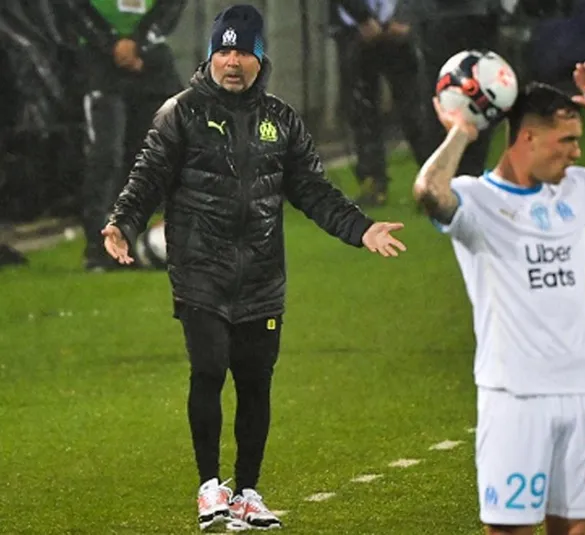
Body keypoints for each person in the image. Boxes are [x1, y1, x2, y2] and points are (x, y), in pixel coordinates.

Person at [102, 4, 407, 532]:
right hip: (200, 270)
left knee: (255, 383)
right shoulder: (181, 113)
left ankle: (246, 491)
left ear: (260, 59)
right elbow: (148, 175)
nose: (232, 61)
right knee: (208, 369)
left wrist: (361, 229)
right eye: (224, 51)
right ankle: (208, 486)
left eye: (243, 51)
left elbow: (313, 190)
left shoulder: (281, 121)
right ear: (210, 57)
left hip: (262, 276)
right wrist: (123, 223)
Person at [413, 62, 585, 535]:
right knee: (511, 529)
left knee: (579, 527)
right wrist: (463, 131)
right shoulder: (476, 201)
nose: (576, 152)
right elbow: (429, 190)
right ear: (528, 137)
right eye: (566, 140)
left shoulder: (578, 189)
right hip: (515, 394)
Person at [65, 0, 187, 271]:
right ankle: (101, 249)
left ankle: (172, 236)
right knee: (105, 156)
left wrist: (138, 42)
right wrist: (111, 43)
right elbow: (73, 8)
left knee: (168, 152)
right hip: (99, 61)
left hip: (150, 60)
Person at [329, 0, 431, 206]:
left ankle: (433, 182)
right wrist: (363, 18)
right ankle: (373, 183)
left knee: (414, 111)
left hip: (397, 28)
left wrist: (404, 17)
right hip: (355, 30)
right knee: (362, 110)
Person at [409, 0, 502, 177]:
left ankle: (457, 176)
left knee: (466, 97)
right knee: (459, 98)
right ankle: (455, 176)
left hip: (465, 16)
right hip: (456, 17)